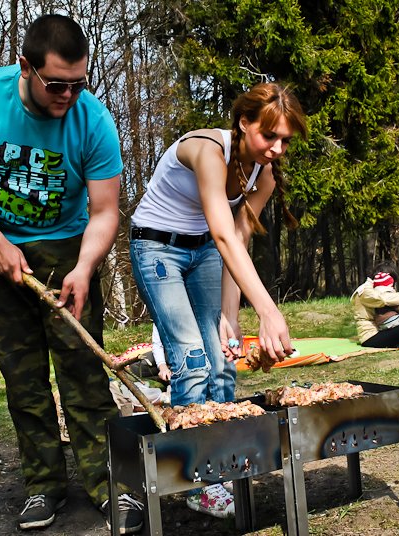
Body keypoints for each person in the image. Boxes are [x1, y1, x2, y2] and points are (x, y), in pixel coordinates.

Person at [0, 14, 142, 534]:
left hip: (69, 251)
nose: (68, 96)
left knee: (83, 374)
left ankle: (112, 487)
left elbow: (104, 211)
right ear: (26, 66)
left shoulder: (93, 119)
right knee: (23, 379)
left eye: (79, 84)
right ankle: (43, 487)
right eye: (57, 84)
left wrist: (84, 267)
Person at [129, 82, 308, 518]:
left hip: (206, 251)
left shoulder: (261, 173)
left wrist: (230, 316)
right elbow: (224, 233)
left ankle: (225, 461)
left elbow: (237, 241)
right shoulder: (208, 150)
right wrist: (268, 311)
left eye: (285, 139)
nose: (278, 148)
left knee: (224, 357)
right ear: (244, 123)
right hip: (157, 248)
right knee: (191, 357)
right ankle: (198, 480)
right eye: (270, 137)